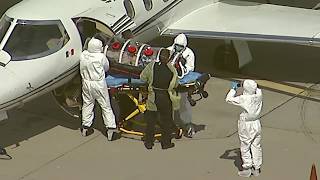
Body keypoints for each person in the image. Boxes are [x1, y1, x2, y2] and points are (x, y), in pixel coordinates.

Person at [140, 48, 181, 150]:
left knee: (151, 121)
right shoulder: (172, 70)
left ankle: (149, 143)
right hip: (165, 97)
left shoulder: (151, 66)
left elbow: (142, 77)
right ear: (168, 58)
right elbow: (175, 84)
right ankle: (166, 143)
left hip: (153, 96)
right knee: (166, 121)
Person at [80, 37, 117, 141]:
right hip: (99, 84)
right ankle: (110, 129)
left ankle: (85, 127)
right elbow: (106, 68)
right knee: (106, 106)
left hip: (86, 83)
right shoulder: (101, 57)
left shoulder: (83, 55)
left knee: (87, 104)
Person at [225, 79, 263, 177]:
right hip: (256, 123)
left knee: (245, 145)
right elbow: (258, 88)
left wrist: (233, 89)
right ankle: (257, 168)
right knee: (256, 145)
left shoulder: (243, 98)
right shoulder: (259, 95)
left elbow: (228, 99)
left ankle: (247, 168)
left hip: (246, 124)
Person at [167, 33, 195, 138]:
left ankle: (187, 126)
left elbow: (191, 68)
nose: (178, 48)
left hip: (181, 83)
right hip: (168, 82)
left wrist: (182, 66)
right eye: (177, 45)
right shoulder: (169, 50)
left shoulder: (189, 53)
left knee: (183, 105)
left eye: (180, 46)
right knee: (167, 105)